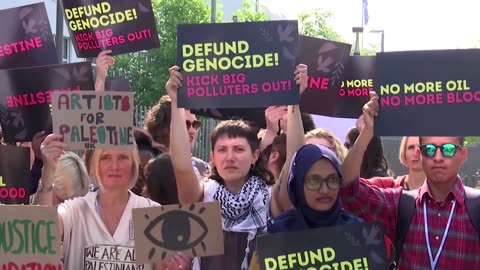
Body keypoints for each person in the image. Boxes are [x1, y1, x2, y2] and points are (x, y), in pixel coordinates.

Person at [166, 64, 308, 269]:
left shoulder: (271, 198)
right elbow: (181, 167)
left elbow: (296, 160)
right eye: (222, 150)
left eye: (239, 149)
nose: (230, 157)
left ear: (255, 156)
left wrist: (293, 102)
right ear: (212, 157)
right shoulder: (202, 195)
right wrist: (176, 103)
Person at [341, 92, 480, 269]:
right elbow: (348, 191)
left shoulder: (476, 206)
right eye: (429, 149)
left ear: (463, 155)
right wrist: (367, 133)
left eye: (448, 149)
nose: (438, 157)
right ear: (420, 155)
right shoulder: (400, 204)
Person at [35, 134, 191, 269]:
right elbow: (39, 233)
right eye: (106, 157)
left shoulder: (151, 213)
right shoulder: (76, 211)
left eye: (122, 157)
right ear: (95, 163)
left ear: (133, 163)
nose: (114, 166)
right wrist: (48, 170)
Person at [267, 144, 362, 233]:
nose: (325, 190)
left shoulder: (358, 230)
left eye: (332, 180)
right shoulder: (276, 233)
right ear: (298, 185)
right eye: (314, 181)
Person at [144, 95, 210, 176]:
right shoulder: (143, 164)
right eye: (186, 124)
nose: (193, 131)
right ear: (163, 127)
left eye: (196, 124)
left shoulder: (203, 169)